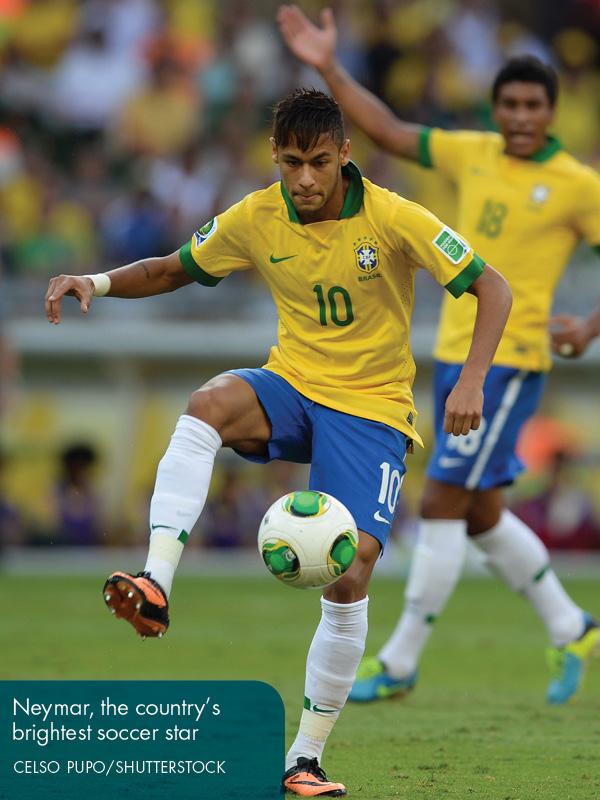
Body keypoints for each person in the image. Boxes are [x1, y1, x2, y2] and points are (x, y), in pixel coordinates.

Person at [45, 88, 511, 797]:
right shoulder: (259, 215)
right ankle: (156, 583)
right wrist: (96, 281)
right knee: (206, 405)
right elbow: (173, 268)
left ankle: (305, 760)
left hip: (371, 411)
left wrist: (471, 379)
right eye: (291, 162)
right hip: (292, 384)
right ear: (275, 156)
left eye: (319, 161)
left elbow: (493, 287)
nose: (305, 179)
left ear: (344, 155)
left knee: (350, 578)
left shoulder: (393, 217)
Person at [276, 5, 600, 707]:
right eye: (509, 104)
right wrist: (328, 66)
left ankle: (399, 660)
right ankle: (572, 626)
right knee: (479, 511)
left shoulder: (578, 184)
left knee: (444, 500)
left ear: (552, 111)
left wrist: (592, 326)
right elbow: (390, 131)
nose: (519, 116)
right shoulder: (472, 152)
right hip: (455, 356)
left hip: (508, 364)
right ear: (495, 108)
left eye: (533, 105)